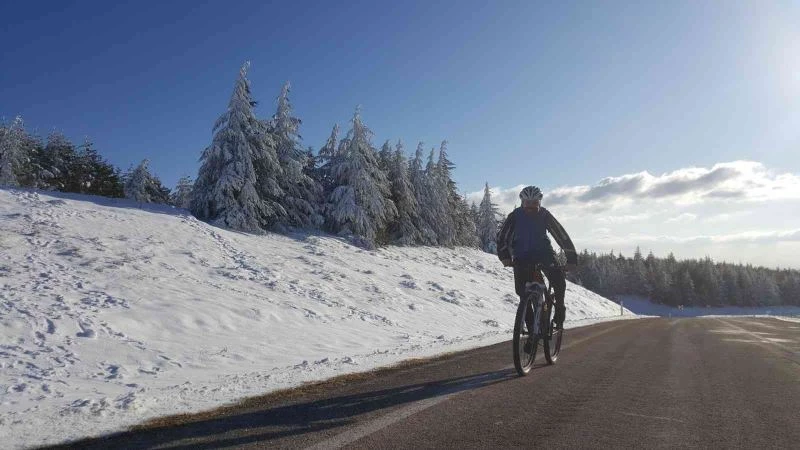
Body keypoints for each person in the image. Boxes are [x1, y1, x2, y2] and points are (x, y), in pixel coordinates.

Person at [496, 185, 577, 329]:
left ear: (539, 202)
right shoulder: (515, 216)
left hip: (544, 254)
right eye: (528, 203)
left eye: (534, 203)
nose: (531, 207)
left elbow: (561, 235)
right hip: (522, 256)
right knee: (523, 294)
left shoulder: (545, 215)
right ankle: (532, 332)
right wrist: (505, 256)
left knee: (558, 282)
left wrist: (571, 259)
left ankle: (559, 311)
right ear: (522, 202)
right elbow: (502, 237)